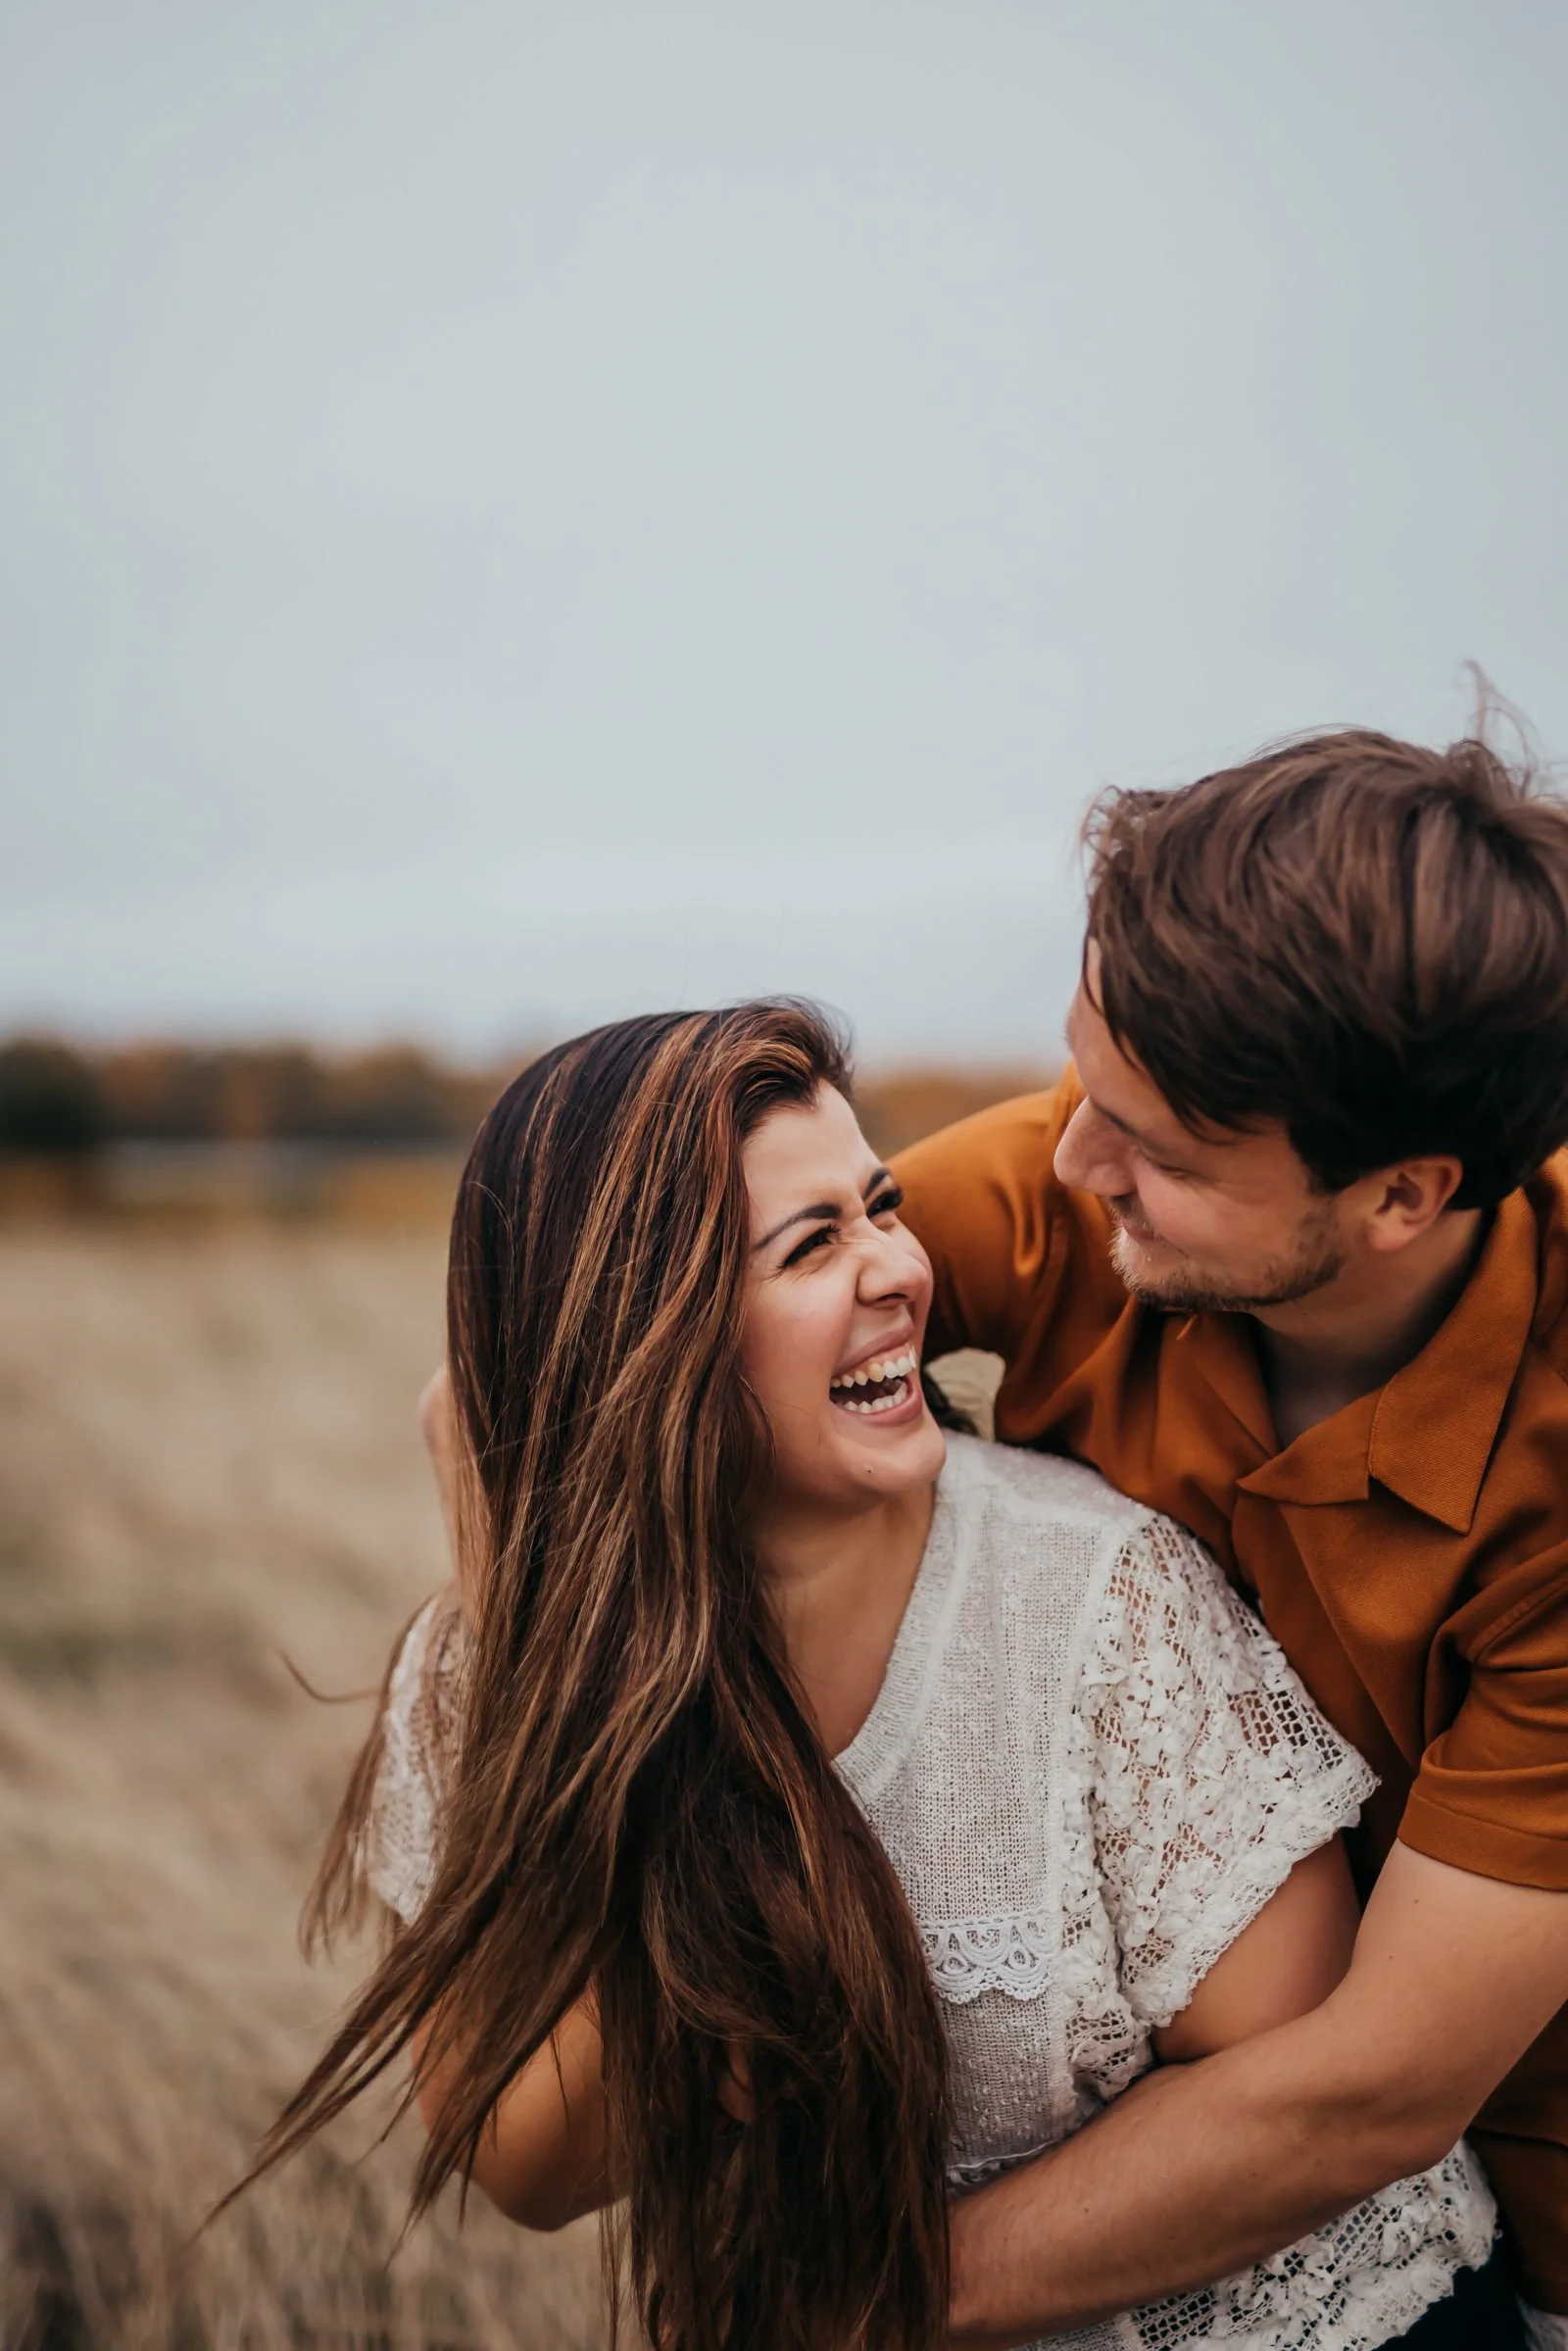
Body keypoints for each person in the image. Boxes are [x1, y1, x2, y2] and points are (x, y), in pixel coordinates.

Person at [259, 1001, 1495, 2351]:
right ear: (644, 1337)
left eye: (881, 1207)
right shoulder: (478, 1675)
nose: (902, 1270)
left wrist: (868, 2306)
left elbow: (1301, 2106)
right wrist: (611, 1736)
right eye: (812, 1244)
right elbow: (528, 2169)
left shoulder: (1097, 1602)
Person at [887, 724, 1568, 2350]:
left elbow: (1381, 2087)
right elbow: (570, 1380)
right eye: (1082, 1079)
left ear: (1406, 1197)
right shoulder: (1079, 1164)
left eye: (1163, 1155)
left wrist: (849, 2304)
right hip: (1116, 2121)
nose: (1069, 1160)